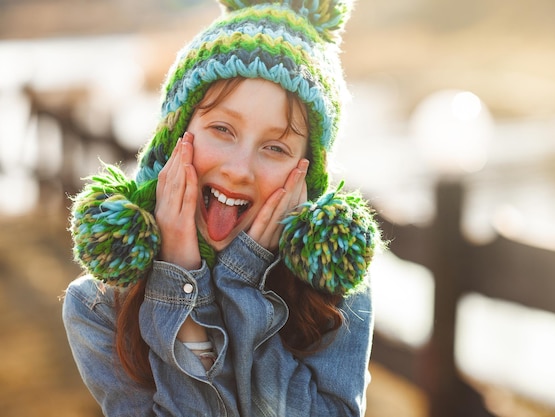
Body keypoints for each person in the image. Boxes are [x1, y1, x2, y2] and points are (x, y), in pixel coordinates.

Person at [62, 1, 380, 416]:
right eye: (222, 129)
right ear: (175, 134)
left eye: (275, 147)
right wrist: (178, 280)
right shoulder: (100, 307)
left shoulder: (331, 287)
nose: (239, 169)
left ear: (308, 176)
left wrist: (242, 283)